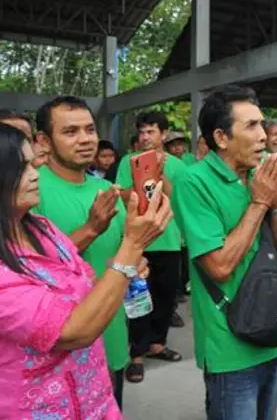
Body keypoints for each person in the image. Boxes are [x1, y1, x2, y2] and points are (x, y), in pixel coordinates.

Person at [0, 117, 170, 419]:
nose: (35, 174)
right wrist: (130, 249)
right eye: (22, 167)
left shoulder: (41, 229)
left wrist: (122, 270)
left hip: (93, 404)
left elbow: (85, 290)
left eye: (33, 164)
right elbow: (72, 332)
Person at [172, 85, 277, 420]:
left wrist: (275, 201)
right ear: (221, 138)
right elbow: (220, 267)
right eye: (251, 126)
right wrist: (259, 202)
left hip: (272, 334)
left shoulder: (259, 174)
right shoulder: (193, 182)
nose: (264, 137)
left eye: (262, 124)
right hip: (230, 344)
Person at [32, 96, 130, 407]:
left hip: (112, 338)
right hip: (61, 356)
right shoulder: (30, 190)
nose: (86, 139)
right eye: (71, 132)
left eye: (89, 129)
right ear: (44, 141)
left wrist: (138, 264)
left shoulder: (106, 190)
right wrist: (90, 228)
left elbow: (122, 254)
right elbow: (28, 270)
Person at [115, 111, 186, 383]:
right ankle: (136, 355)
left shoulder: (178, 166)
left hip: (169, 241)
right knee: (137, 298)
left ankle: (157, 344)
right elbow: (120, 194)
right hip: (138, 241)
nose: (145, 137)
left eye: (151, 132)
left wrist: (160, 172)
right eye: (142, 132)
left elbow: (180, 202)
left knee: (165, 298)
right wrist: (141, 179)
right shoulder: (127, 162)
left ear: (163, 135)